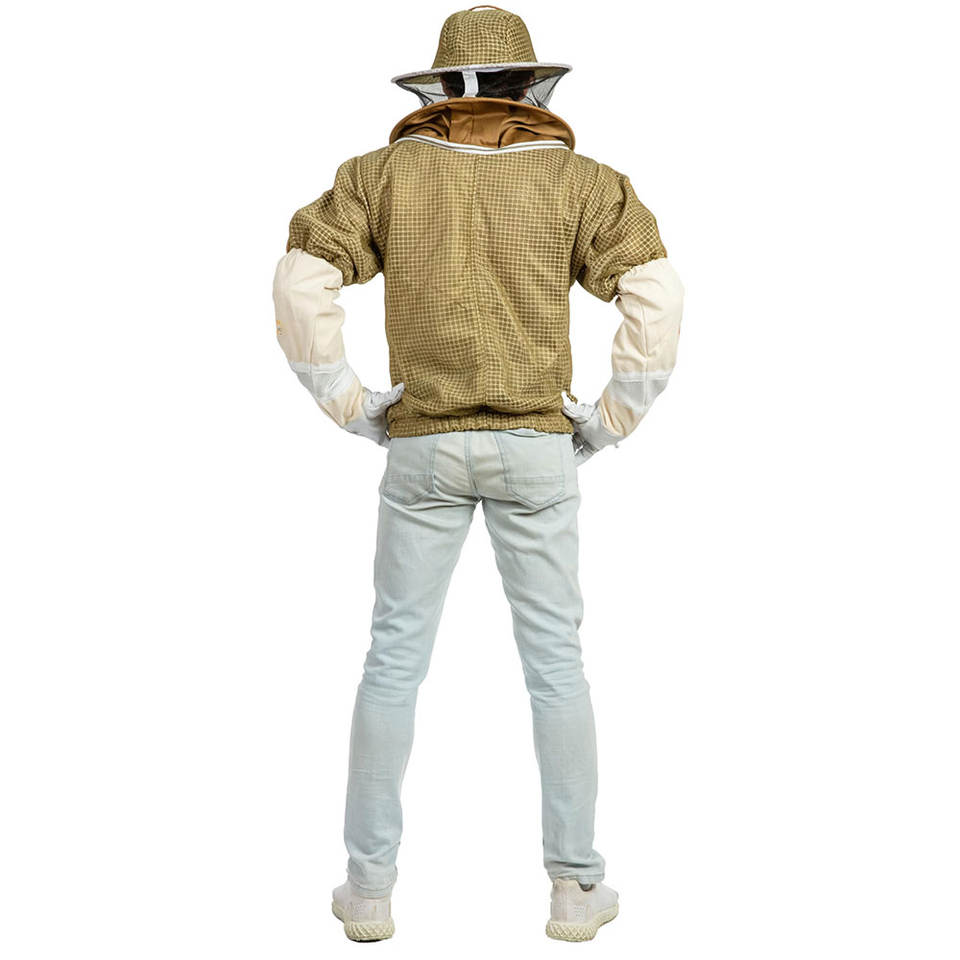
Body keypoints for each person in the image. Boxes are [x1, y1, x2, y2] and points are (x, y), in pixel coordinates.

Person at [272, 5, 683, 943]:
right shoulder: (583, 182)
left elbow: (300, 278)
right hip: (538, 445)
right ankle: (575, 889)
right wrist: (609, 421)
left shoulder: (379, 176)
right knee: (557, 668)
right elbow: (658, 298)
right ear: (529, 85)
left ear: (442, 86)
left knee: (392, 662)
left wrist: (350, 403)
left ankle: (368, 892)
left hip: (422, 445)